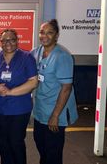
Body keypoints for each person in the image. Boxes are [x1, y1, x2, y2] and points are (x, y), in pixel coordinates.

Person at [31, 19, 78, 164]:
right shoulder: (36, 52)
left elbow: (66, 88)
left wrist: (55, 115)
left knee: (53, 153)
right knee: (42, 148)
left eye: (49, 33)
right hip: (40, 111)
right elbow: (19, 58)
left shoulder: (62, 56)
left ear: (56, 36)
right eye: (42, 32)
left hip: (55, 113)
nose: (44, 36)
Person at [0, 29, 38, 164]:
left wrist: (10, 92)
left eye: (11, 39)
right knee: (3, 142)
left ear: (17, 41)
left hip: (19, 109)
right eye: (4, 40)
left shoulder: (26, 57)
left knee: (16, 142)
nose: (8, 43)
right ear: (0, 43)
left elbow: (33, 82)